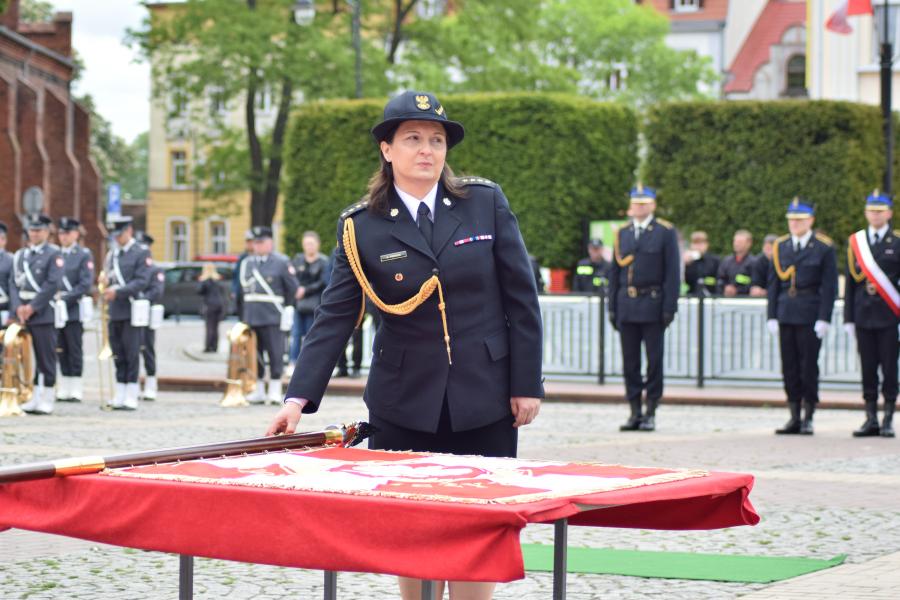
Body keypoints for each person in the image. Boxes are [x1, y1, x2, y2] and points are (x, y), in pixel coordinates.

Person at [267, 90, 543, 600]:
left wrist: (526, 383)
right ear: (386, 149)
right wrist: (297, 399)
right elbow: (334, 317)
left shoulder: (484, 203)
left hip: (484, 396)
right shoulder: (361, 226)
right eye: (413, 138)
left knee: (479, 524)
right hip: (403, 401)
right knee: (412, 526)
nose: (426, 150)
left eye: (436, 140)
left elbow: (521, 299)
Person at [608, 184, 680, 432]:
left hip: (653, 304)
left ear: (652, 205)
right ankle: (634, 411)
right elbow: (614, 273)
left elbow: (672, 272)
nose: (638, 207)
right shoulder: (623, 233)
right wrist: (612, 307)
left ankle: (651, 411)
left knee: (653, 362)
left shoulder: (664, 232)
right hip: (627, 305)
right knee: (630, 363)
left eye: (643, 203)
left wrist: (670, 307)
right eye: (635, 203)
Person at [767, 198, 837, 435]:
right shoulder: (781, 246)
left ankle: (808, 415)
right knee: (789, 367)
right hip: (786, 312)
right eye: (792, 219)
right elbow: (773, 284)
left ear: (811, 221)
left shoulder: (823, 247)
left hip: (810, 313)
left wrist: (824, 317)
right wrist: (771, 315)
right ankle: (794, 415)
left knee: (808, 367)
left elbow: (829, 286)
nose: (794, 223)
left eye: (800, 219)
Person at [844, 190, 900, 438]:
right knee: (867, 368)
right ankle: (871, 418)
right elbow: (850, 284)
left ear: (889, 214)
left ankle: (888, 418)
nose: (875, 215)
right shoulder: (857, 242)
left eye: (879, 211)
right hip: (863, 316)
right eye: (871, 211)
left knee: (889, 369)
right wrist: (848, 318)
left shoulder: (897, 242)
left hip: (889, 316)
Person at [240, 226, 298, 404]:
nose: (257, 246)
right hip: (252, 316)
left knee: (275, 353)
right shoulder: (247, 263)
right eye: (255, 243)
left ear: (270, 243)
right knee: (254, 355)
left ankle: (274, 390)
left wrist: (288, 308)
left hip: (273, 315)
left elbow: (292, 287)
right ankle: (258, 390)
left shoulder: (281, 262)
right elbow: (241, 291)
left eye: (261, 242)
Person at [102, 216, 153, 410]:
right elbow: (109, 277)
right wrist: (106, 284)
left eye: (120, 234)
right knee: (118, 353)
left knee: (131, 352)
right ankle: (120, 392)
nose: (117, 238)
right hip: (115, 309)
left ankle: (131, 393)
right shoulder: (113, 255)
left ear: (129, 231)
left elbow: (142, 281)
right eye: (115, 235)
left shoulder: (141, 252)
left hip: (132, 308)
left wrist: (118, 292)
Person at [13, 215, 63, 415]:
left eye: (38, 230)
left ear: (47, 232)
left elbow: (53, 283)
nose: (34, 234)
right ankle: (35, 396)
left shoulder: (53, 253)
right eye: (32, 230)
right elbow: (13, 283)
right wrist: (18, 306)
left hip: (43, 312)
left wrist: (33, 306)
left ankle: (48, 397)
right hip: (23, 313)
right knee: (29, 358)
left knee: (46, 356)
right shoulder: (21, 255)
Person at [54, 217, 95, 403]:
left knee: (74, 348)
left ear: (76, 234)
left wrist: (65, 298)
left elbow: (85, 283)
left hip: (73, 309)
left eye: (67, 233)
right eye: (61, 233)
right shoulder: (55, 254)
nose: (64, 236)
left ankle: (76, 386)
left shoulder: (83, 255)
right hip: (56, 310)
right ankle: (64, 385)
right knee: (60, 348)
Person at [289, 231, 329, 365]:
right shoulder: (297, 259)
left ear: (318, 244)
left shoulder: (323, 262)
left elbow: (323, 282)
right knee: (296, 334)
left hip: (314, 304)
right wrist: (296, 289)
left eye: (311, 244)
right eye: (306, 244)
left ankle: (309, 362)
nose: (309, 247)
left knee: (311, 333)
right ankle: (293, 361)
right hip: (299, 303)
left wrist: (305, 290)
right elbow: (291, 278)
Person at [135, 231, 165, 401]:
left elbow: (157, 291)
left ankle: (151, 384)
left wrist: (140, 298)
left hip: (146, 313)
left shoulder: (155, 269)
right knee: (131, 350)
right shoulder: (133, 268)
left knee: (147, 348)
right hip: (132, 313)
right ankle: (133, 384)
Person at [717, 229, 757, 297]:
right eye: (735, 241)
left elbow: (755, 283)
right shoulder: (726, 261)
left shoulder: (755, 262)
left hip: (745, 300)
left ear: (749, 243)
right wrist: (725, 288)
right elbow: (720, 279)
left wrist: (738, 290)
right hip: (726, 299)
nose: (736, 244)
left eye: (740, 242)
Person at [198, 262, 226, 353]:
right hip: (219, 305)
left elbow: (200, 291)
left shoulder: (205, 280)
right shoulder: (218, 279)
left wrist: (201, 281)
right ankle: (215, 346)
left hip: (210, 305)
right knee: (216, 327)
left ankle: (208, 346)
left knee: (209, 327)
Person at [683, 230, 719, 296]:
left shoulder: (715, 261)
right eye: (695, 243)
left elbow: (717, 280)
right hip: (692, 296)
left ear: (706, 244)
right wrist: (685, 265)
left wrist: (704, 281)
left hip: (711, 296)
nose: (698, 246)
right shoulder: (689, 261)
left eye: (701, 243)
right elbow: (685, 282)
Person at [232, 231, 254, 321]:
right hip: (242, 294)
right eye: (247, 242)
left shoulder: (259, 257)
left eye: (251, 242)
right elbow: (236, 275)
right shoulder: (243, 257)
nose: (249, 244)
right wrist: (234, 290)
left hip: (253, 293)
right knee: (242, 319)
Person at [0, 222, 14, 325]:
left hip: (4, 308)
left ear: (4, 240)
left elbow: (13, 288)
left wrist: (12, 313)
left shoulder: (11, 259)